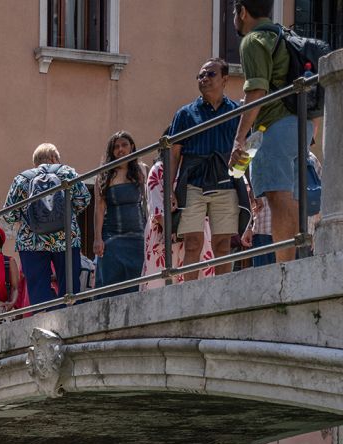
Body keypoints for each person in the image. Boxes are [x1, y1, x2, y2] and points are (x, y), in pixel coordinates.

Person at [231, 0, 316, 264]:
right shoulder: (283, 34)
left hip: (273, 125)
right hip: (301, 124)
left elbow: (256, 91)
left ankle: (285, 266)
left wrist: (239, 139)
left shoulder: (253, 40)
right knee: (291, 196)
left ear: (242, 11)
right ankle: (296, 259)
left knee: (278, 197)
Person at [167, 59, 243, 280]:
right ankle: (189, 294)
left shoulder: (238, 112)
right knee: (192, 243)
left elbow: (248, 147)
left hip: (226, 183)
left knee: (223, 244)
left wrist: (240, 178)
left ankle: (221, 292)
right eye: (200, 76)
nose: (204, 79)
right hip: (193, 183)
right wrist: (170, 188)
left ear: (225, 79)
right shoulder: (185, 114)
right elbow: (174, 154)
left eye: (210, 74)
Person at [2, 143, 92, 307]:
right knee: (69, 287)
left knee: (38, 288)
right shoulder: (67, 172)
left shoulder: (22, 178)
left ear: (35, 162)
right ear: (53, 158)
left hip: (32, 241)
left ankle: (44, 322)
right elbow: (84, 199)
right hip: (66, 238)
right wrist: (67, 215)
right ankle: (68, 320)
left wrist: (28, 218)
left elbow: (9, 215)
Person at [143, 160, 216, 288]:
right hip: (165, 232)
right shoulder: (158, 169)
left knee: (200, 280)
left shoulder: (196, 165)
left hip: (195, 229)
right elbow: (157, 208)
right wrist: (169, 230)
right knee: (163, 281)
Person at [93, 131, 148, 294]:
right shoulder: (103, 175)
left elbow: (148, 203)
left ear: (132, 147)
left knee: (138, 281)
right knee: (111, 282)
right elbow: (99, 208)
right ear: (111, 151)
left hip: (138, 235)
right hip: (112, 236)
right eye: (116, 147)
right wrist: (97, 238)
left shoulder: (142, 170)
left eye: (124, 145)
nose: (120, 149)